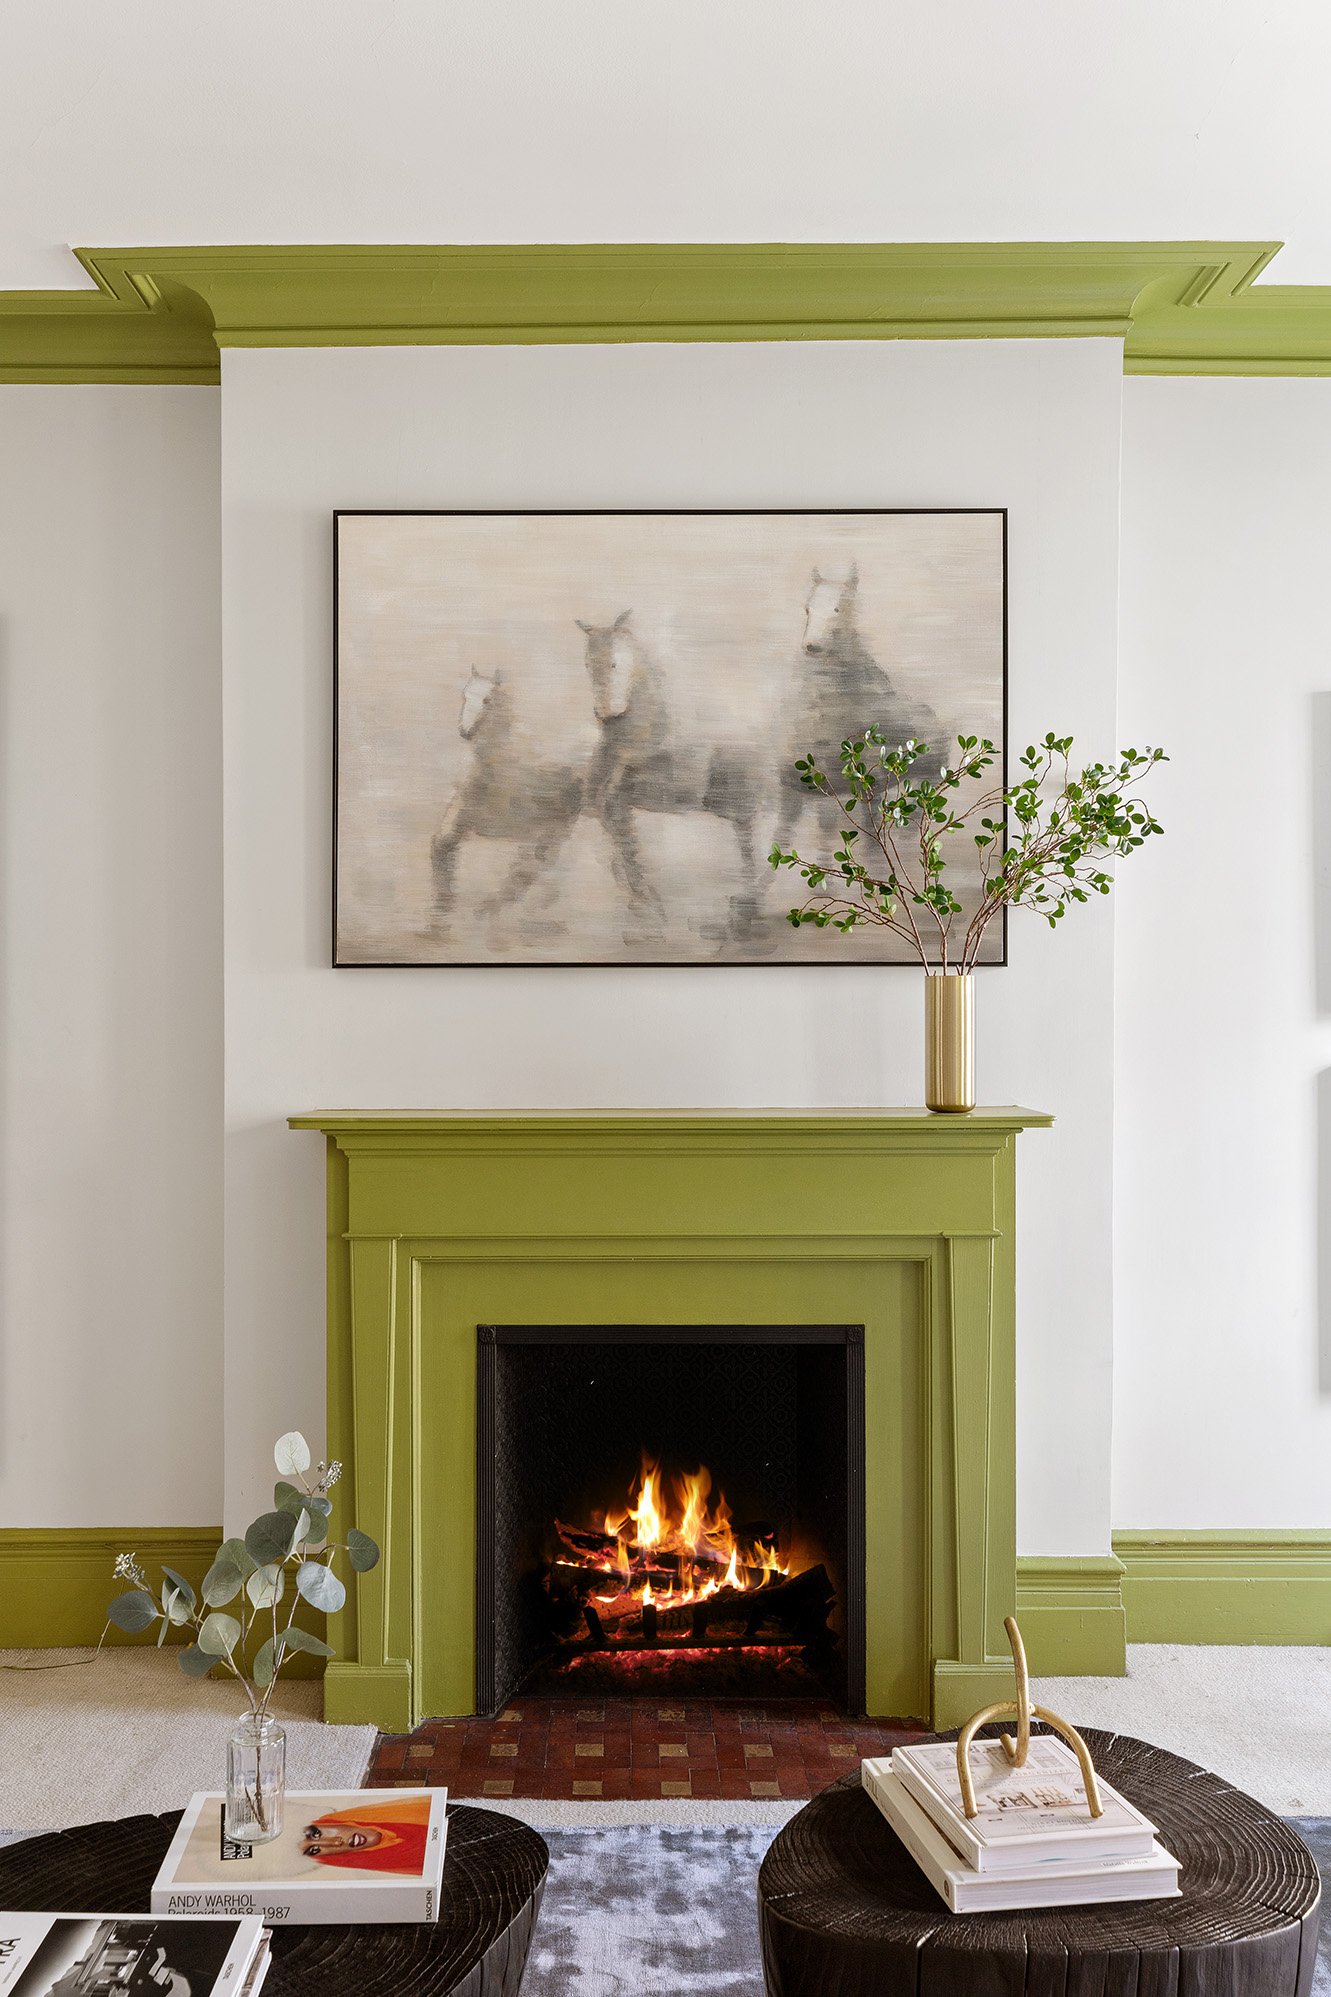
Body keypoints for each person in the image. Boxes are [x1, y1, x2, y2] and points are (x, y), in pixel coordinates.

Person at [298, 1798, 431, 1873]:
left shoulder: (420, 1808)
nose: (336, 1842)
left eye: (316, 1833)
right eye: (315, 1850)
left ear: (326, 1821)